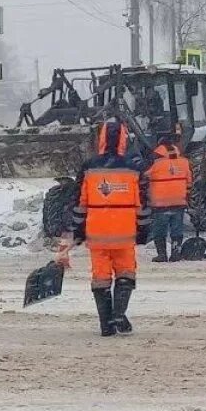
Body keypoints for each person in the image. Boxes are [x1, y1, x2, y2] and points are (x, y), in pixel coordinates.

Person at [65, 119, 151, 336]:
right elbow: (142, 205)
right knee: (126, 273)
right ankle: (118, 314)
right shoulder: (133, 169)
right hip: (124, 232)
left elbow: (80, 204)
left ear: (101, 139)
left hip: (97, 233)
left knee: (101, 277)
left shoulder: (89, 168)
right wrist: (143, 230)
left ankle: (106, 324)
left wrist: (77, 231)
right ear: (123, 139)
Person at [147, 135, 192, 262]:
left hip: (160, 203)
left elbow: (144, 174)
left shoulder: (156, 163)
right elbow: (189, 181)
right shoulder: (184, 162)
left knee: (159, 231)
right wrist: (185, 195)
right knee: (177, 230)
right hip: (179, 201)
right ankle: (175, 254)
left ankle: (162, 255)